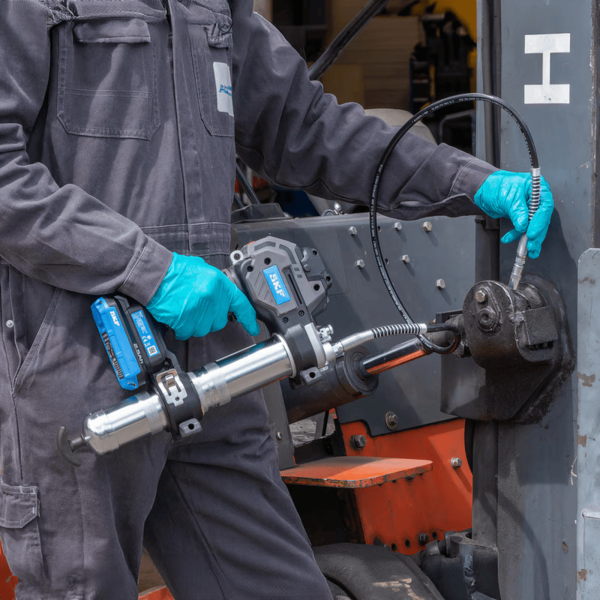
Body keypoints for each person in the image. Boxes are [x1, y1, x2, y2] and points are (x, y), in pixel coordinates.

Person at [0, 1, 552, 598]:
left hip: (214, 356)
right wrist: (149, 271)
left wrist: (471, 182)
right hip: (83, 351)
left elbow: (307, 126)